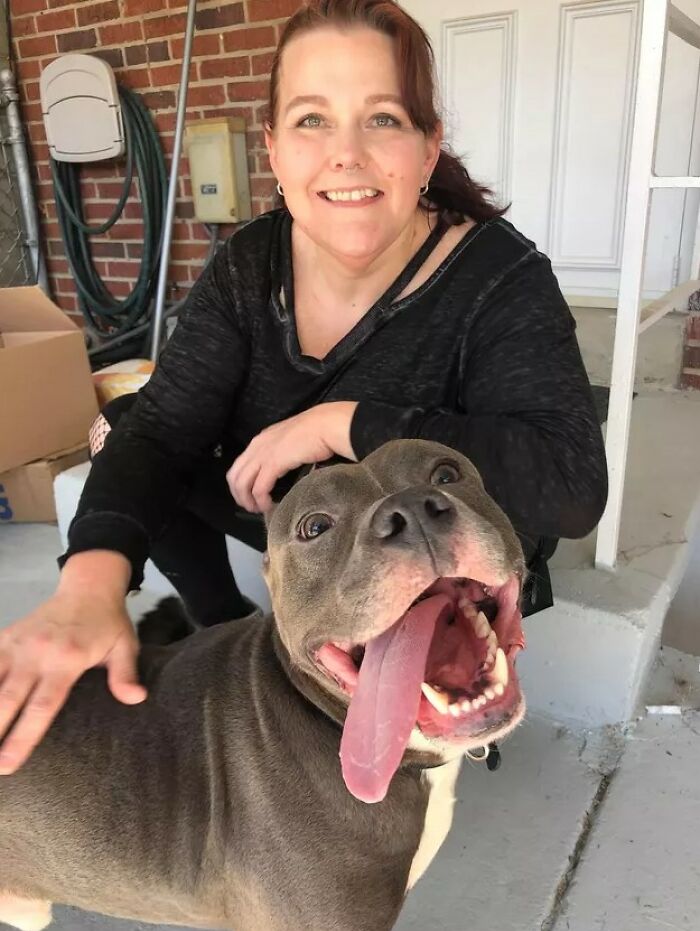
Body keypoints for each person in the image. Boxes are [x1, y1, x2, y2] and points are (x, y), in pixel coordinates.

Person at [0, 0, 607, 777]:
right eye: (313, 120)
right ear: (275, 152)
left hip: (445, 540)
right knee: (127, 423)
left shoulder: (499, 277)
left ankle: (454, 670)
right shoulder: (247, 268)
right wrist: (90, 582)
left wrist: (342, 424)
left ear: (428, 150)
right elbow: (162, 434)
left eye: (383, 119)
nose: (346, 156)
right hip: (317, 532)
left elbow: (568, 487)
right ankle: (222, 631)